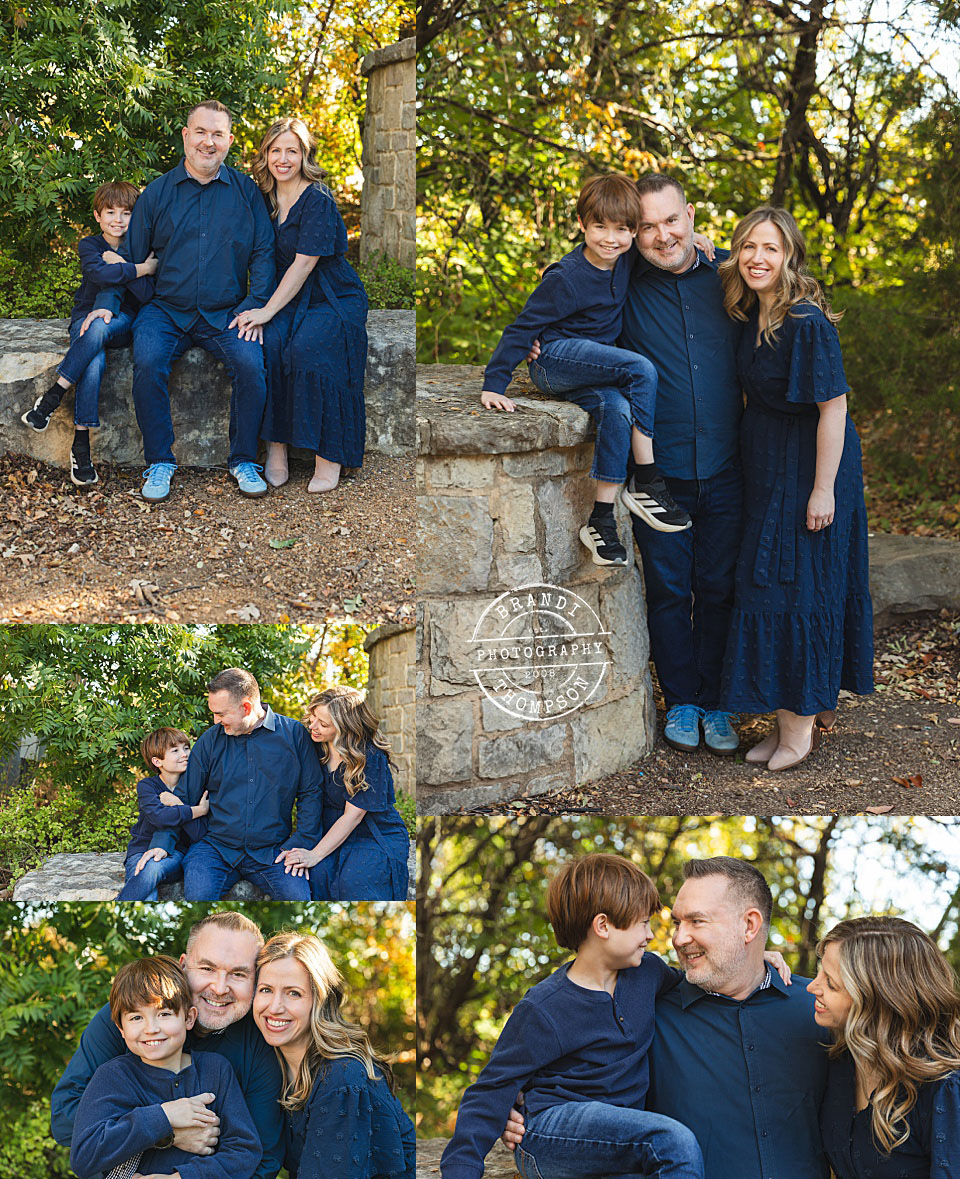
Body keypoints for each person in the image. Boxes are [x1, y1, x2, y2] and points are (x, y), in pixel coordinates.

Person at [503, 856, 831, 1179]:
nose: (678, 938)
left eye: (697, 921)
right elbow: (560, 1080)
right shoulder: (644, 1014)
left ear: (749, 926)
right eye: (677, 922)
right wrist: (510, 1106)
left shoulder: (817, 1009)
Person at [717, 206, 873, 770]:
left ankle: (800, 730)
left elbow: (834, 409)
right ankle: (784, 719)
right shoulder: (748, 313)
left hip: (811, 467)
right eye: (749, 247)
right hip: (764, 468)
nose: (759, 259)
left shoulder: (806, 323)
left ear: (790, 259)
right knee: (767, 586)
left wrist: (822, 490)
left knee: (801, 588)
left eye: (772, 249)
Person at [443, 853, 708, 1179]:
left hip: (616, 1138)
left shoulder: (648, 973)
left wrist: (755, 959)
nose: (650, 935)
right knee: (673, 1143)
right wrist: (461, 1170)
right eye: (643, 923)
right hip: (550, 1132)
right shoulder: (545, 1007)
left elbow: (703, 985)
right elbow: (492, 1088)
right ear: (603, 926)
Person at [480, 173, 694, 567]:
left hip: (591, 369)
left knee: (617, 410)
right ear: (582, 224)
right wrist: (496, 383)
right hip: (554, 360)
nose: (611, 238)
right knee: (641, 369)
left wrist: (700, 240)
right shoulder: (567, 277)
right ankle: (647, 478)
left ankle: (600, 521)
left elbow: (663, 242)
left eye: (622, 229)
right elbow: (522, 328)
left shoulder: (624, 257)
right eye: (600, 227)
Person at [612, 173, 745, 755]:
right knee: (668, 588)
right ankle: (682, 699)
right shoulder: (621, 280)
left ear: (690, 215)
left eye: (671, 220)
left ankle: (716, 702)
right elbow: (575, 266)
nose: (663, 236)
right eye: (647, 227)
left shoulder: (731, 280)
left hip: (728, 464)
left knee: (718, 588)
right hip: (658, 471)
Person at [95, 99, 276, 503]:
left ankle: (244, 459)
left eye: (217, 134)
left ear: (229, 141)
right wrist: (113, 302)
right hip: (165, 310)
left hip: (228, 312)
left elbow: (263, 252)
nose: (207, 142)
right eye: (200, 132)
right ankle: (159, 461)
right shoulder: (157, 194)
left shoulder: (247, 193)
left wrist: (256, 305)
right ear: (185, 136)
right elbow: (134, 259)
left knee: (252, 367)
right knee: (147, 361)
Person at [51, 911, 286, 1179]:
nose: (220, 988)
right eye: (207, 968)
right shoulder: (130, 1014)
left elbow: (260, 1159)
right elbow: (67, 1121)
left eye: (239, 974)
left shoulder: (256, 1043)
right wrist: (168, 1131)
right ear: (183, 965)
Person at [232, 117, 368, 493]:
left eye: (292, 150)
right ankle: (277, 450)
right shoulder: (265, 198)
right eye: (276, 150)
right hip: (289, 295)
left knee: (310, 350)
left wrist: (268, 310)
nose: (283, 158)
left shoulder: (318, 200)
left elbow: (304, 263)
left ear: (304, 155)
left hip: (332, 296)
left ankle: (329, 457)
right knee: (269, 345)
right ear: (266, 155)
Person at [70, 955, 262, 1179]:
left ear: (189, 1018)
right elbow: (84, 1157)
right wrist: (164, 1115)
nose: (151, 1028)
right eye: (135, 1018)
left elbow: (244, 1151)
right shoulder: (113, 1076)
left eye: (164, 1014)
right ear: (121, 1029)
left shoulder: (216, 1070)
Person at [19, 180, 156, 487]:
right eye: (110, 212)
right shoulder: (91, 246)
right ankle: (81, 447)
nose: (118, 220)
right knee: (93, 361)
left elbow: (147, 295)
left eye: (126, 213)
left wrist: (121, 263)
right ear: (97, 215)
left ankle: (53, 396)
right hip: (86, 314)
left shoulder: (141, 247)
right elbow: (98, 274)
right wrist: (141, 269)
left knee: (101, 325)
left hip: (123, 320)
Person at [144, 668, 322, 900]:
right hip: (214, 849)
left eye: (221, 714)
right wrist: (162, 843)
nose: (215, 720)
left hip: (273, 852)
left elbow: (311, 793)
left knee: (298, 898)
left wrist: (300, 844)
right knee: (198, 896)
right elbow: (184, 797)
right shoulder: (210, 740)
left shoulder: (294, 735)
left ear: (246, 707)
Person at [253, 931, 415, 1179]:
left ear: (319, 1000)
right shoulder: (270, 1063)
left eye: (293, 993)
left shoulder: (340, 1079)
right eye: (265, 990)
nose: (275, 1007)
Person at [809, 916, 960, 1178]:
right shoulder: (840, 1059)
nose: (812, 986)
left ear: (876, 1001)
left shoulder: (944, 1089)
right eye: (818, 972)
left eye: (830, 983)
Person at [276, 687, 410, 901]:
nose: (313, 726)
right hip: (328, 831)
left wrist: (315, 854)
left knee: (354, 883)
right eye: (313, 716)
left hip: (372, 834)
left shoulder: (369, 757)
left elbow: (353, 816)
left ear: (345, 728)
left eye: (324, 724)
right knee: (316, 877)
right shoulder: (314, 745)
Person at [117, 726, 209, 901]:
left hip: (176, 854)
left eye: (186, 748)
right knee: (148, 890)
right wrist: (198, 811)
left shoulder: (197, 787)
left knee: (152, 868)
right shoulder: (147, 787)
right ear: (157, 761)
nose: (184, 754)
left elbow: (199, 834)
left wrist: (178, 804)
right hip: (142, 849)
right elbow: (159, 818)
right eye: (175, 750)